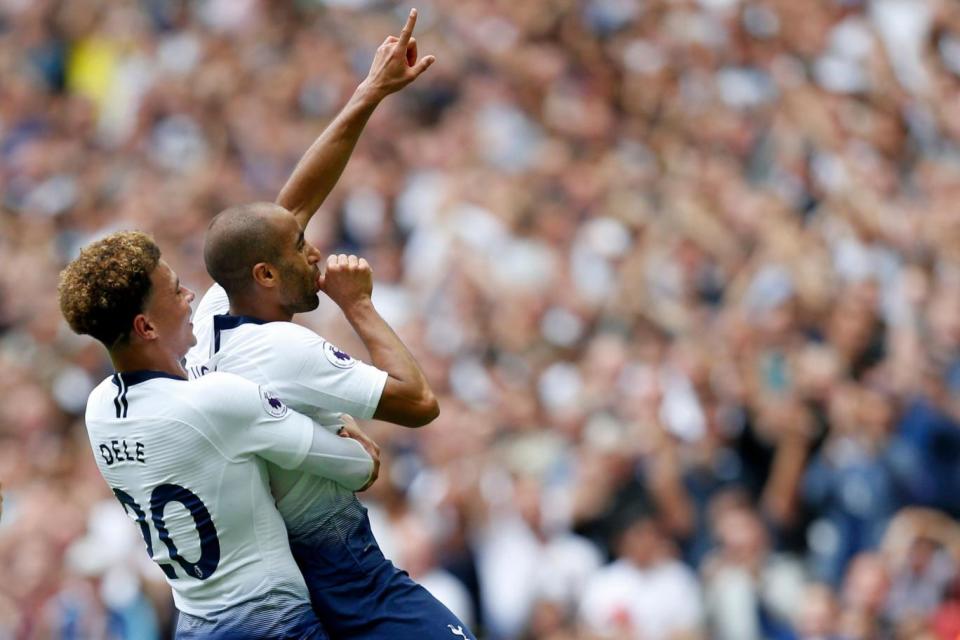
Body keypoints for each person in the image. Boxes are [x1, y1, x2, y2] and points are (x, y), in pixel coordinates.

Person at [184, 9, 476, 639]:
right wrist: (359, 303)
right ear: (265, 275)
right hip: (345, 577)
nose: (314, 250)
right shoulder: (283, 348)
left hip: (277, 577)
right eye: (301, 249)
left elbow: (289, 207)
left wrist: (369, 93)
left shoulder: (215, 309)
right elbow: (419, 403)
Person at [58, 231, 381, 639]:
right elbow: (359, 468)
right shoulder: (215, 400)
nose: (190, 295)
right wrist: (341, 426)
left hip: (194, 626)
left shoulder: (98, 409)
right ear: (146, 326)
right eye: (176, 291)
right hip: (274, 625)